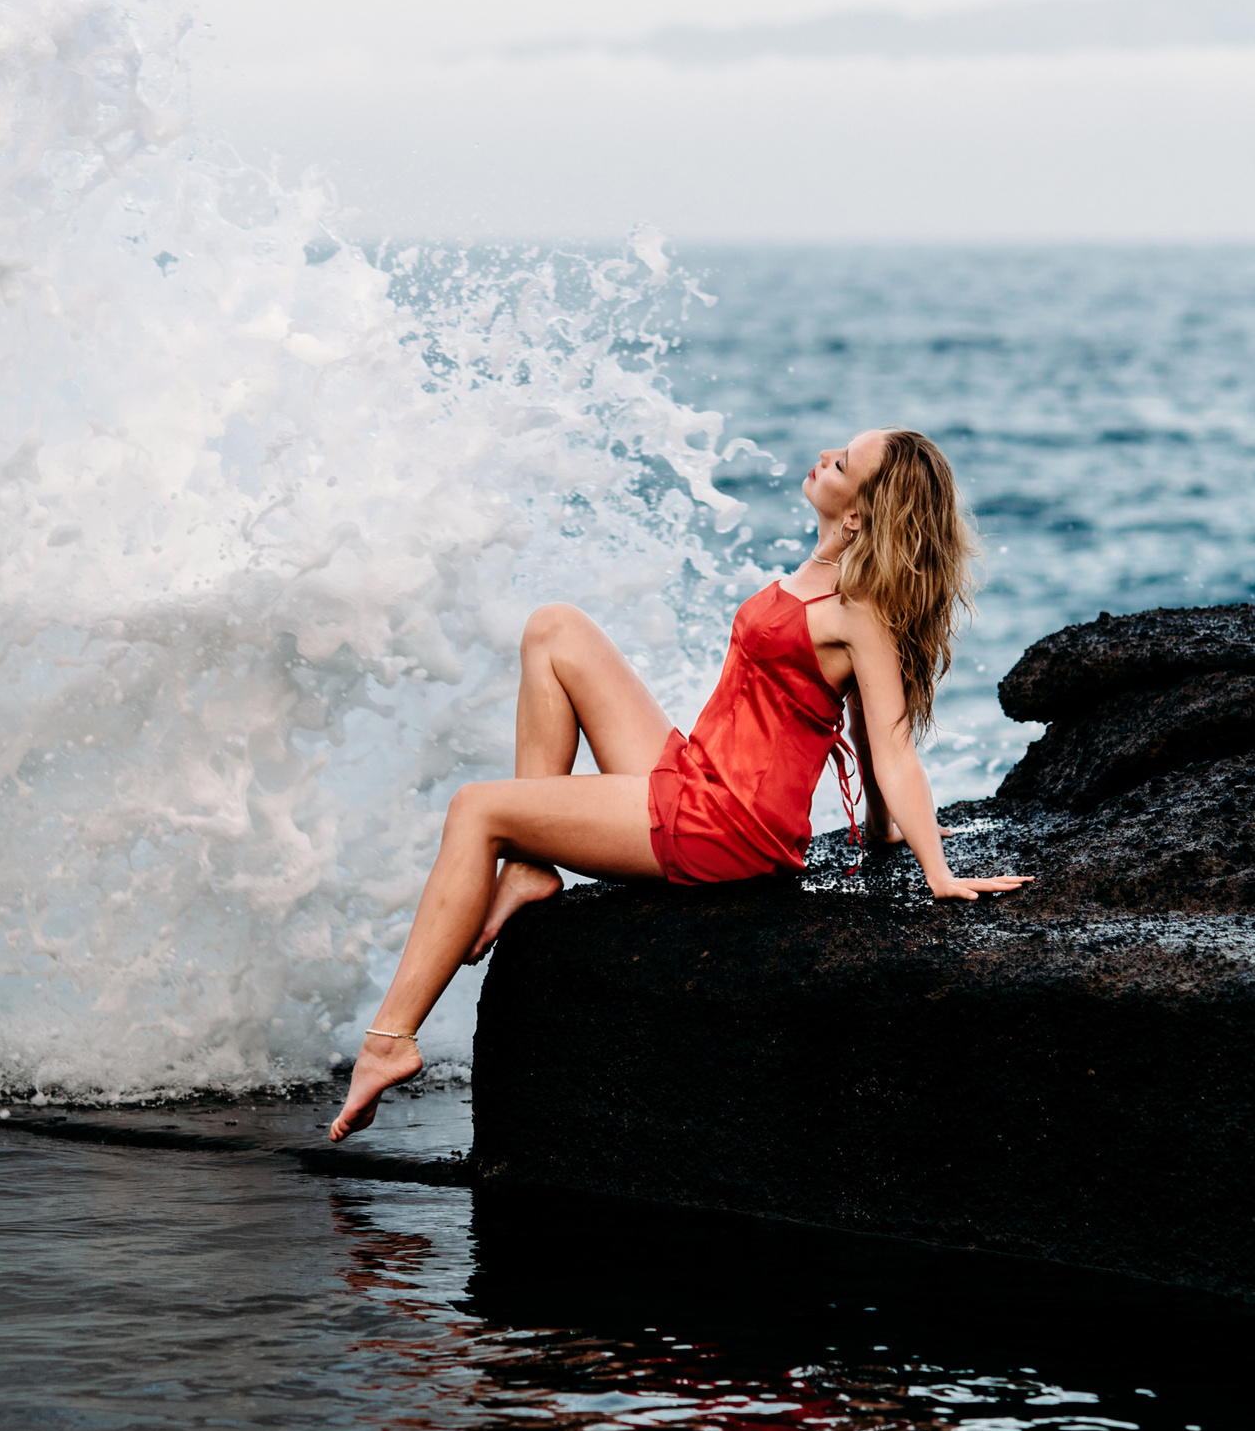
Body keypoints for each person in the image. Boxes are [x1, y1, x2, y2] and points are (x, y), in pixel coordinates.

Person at [327, 427, 1030, 1141]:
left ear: (857, 515)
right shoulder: (825, 581)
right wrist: (881, 830)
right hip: (697, 772)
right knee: (554, 629)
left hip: (725, 820)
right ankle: (530, 869)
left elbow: (891, 744)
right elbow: (850, 729)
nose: (824, 457)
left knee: (475, 808)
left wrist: (934, 871)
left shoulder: (858, 613)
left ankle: (391, 1039)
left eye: (843, 462)